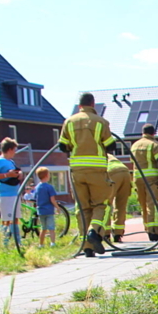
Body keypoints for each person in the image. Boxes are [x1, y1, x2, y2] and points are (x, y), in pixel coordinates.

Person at [59, 92, 115, 257]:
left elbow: (62, 146)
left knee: (82, 208)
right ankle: (94, 231)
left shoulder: (69, 122)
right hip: (97, 170)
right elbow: (110, 146)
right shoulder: (101, 122)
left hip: (77, 171)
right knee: (101, 205)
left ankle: (87, 248)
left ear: (79, 106)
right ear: (93, 104)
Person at [131, 123, 158, 242]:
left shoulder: (134, 145)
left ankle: (147, 228)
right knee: (153, 204)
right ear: (154, 133)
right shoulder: (155, 145)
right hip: (152, 179)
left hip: (138, 179)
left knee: (143, 205)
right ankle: (154, 232)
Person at [0, 138, 24, 243]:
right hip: (6, 195)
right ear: (9, 149)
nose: (15, 152)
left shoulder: (11, 161)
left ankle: (18, 241)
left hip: (14, 193)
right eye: (14, 150)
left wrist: (19, 174)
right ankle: (4, 242)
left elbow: (15, 172)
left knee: (15, 218)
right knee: (6, 219)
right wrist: (7, 175)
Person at [104, 152, 132, 242]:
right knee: (121, 205)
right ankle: (118, 233)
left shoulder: (92, 153)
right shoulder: (107, 154)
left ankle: (105, 233)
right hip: (125, 171)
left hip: (111, 172)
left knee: (105, 204)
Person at [33, 167, 59, 248]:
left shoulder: (37, 188)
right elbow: (52, 200)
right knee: (51, 228)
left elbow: (35, 198)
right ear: (47, 175)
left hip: (40, 211)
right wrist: (57, 207)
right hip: (49, 210)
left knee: (43, 228)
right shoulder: (49, 187)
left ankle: (41, 244)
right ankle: (52, 243)